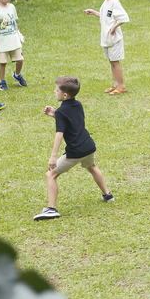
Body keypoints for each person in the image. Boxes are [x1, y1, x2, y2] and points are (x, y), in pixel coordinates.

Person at [34, 77, 113, 221]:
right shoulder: (78, 105)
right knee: (92, 167)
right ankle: (107, 194)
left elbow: (59, 134)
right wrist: (55, 115)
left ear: (65, 95)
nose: (54, 91)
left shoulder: (61, 112)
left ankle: (51, 209)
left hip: (75, 152)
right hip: (88, 146)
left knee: (50, 175)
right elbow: (72, 122)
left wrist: (53, 156)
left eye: (56, 90)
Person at [83, 0, 130, 94]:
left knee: (115, 61)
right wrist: (94, 12)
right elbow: (106, 16)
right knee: (111, 61)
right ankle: (116, 84)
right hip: (107, 37)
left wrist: (114, 27)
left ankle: (122, 86)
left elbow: (124, 17)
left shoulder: (115, 2)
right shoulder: (107, 2)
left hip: (114, 38)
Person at [0, 0, 27, 90]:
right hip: (1, 41)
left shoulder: (12, 7)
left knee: (20, 60)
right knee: (2, 62)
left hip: (13, 39)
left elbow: (14, 22)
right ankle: (2, 81)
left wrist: (19, 34)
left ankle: (17, 75)